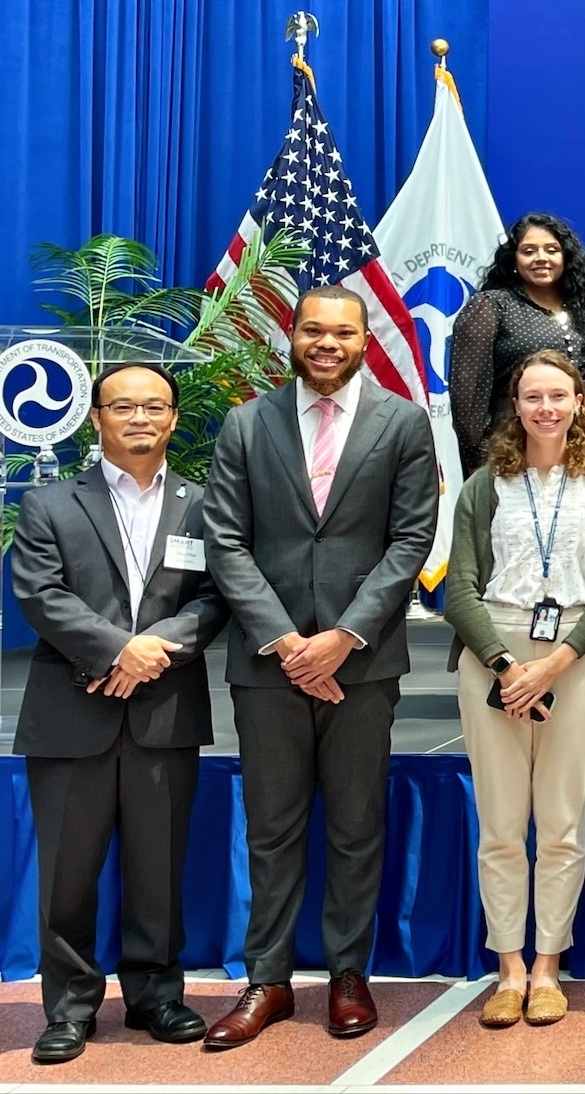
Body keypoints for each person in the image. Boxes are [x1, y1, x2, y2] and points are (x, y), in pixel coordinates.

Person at [202, 286, 440, 1048]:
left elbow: (410, 540)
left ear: (366, 338)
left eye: (342, 331)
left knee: (355, 823)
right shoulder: (246, 422)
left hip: (361, 665)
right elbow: (226, 543)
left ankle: (348, 973)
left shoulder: (403, 422)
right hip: (266, 665)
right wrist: (285, 640)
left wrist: (342, 637)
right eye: (314, 330)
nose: (326, 342)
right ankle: (267, 980)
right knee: (270, 828)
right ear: (292, 336)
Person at [11, 364, 229, 1064]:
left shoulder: (204, 504)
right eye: (124, 405)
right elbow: (40, 594)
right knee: (67, 873)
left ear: (172, 419)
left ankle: (156, 994)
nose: (140, 416)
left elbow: (220, 597)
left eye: (154, 405)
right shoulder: (50, 503)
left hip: (165, 710)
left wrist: (154, 649)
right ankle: (70, 1006)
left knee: (158, 868)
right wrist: (118, 649)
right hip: (73, 713)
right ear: (96, 418)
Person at [440, 350, 585, 1029]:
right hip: (494, 654)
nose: (545, 407)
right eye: (531, 396)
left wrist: (554, 664)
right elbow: (456, 585)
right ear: (513, 406)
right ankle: (509, 967)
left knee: (560, 823)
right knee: (499, 825)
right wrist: (503, 662)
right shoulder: (485, 483)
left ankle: (549, 965)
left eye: (558, 395)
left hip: (572, 657)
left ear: (579, 401)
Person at [446, 213, 585, 472]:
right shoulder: (492, 306)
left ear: (566, 258)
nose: (541, 258)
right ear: (514, 260)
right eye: (529, 251)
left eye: (552, 250)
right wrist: (481, 462)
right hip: (512, 453)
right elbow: (468, 398)